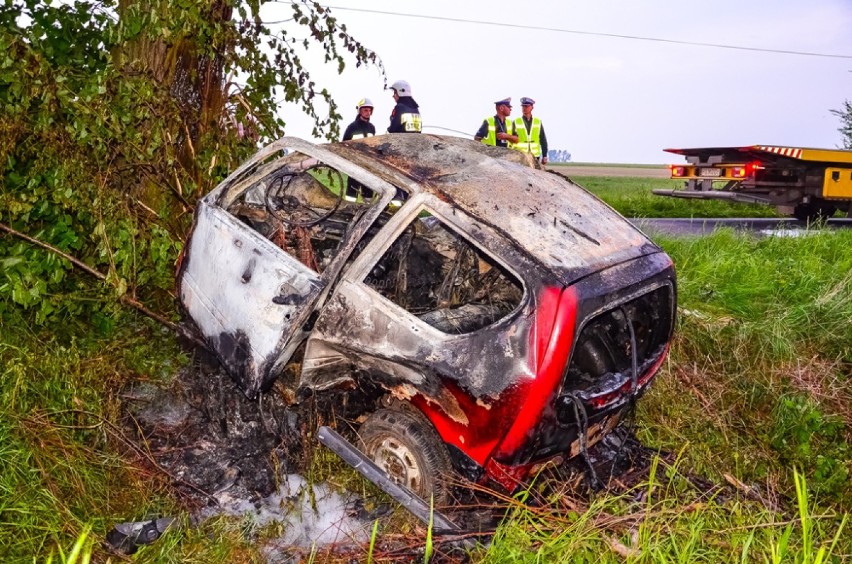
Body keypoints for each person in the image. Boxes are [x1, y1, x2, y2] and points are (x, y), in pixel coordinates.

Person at [342, 98, 377, 200]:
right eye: (365, 110)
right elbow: (344, 145)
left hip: (368, 166)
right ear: (360, 111)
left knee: (368, 194)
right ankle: (348, 213)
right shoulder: (351, 127)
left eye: (370, 110)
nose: (368, 112)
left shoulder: (372, 128)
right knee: (351, 195)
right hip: (355, 165)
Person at [512, 97, 548, 164]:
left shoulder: (538, 122)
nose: (524, 108)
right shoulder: (516, 122)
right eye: (523, 106)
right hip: (520, 156)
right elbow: (511, 140)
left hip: (535, 156)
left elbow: (543, 140)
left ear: (532, 107)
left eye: (526, 106)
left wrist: (545, 155)